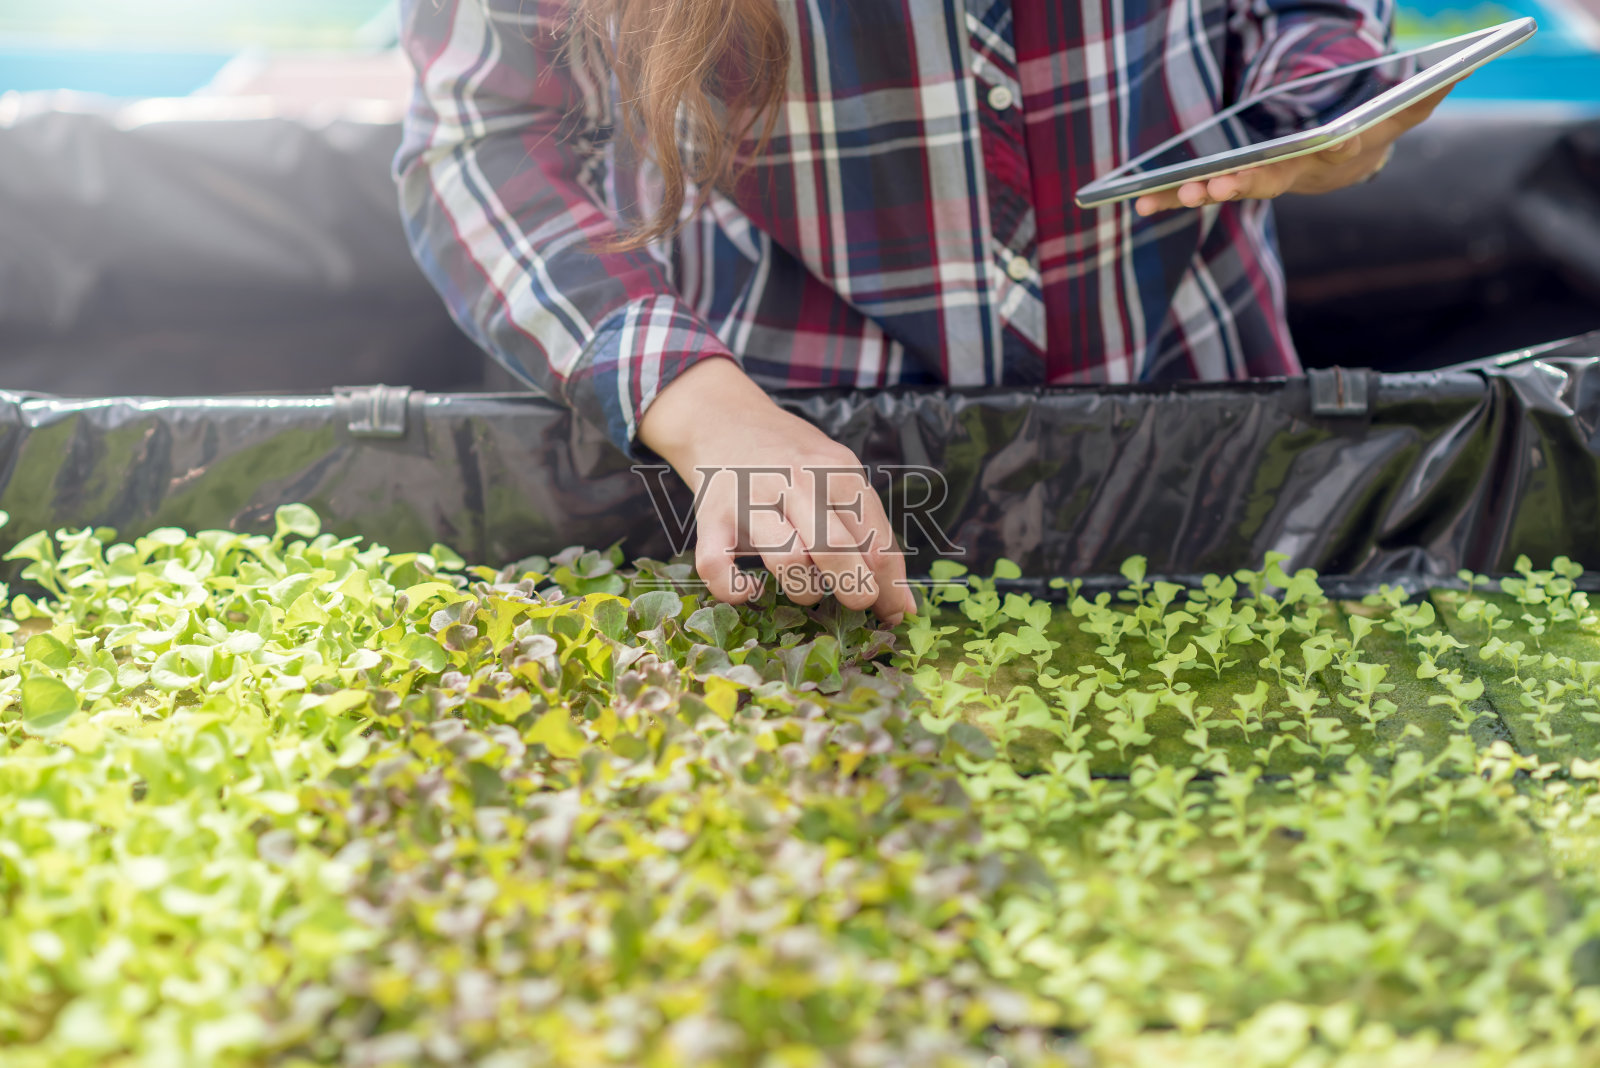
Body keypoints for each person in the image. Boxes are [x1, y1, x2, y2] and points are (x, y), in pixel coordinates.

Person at [395, 0, 1446, 626]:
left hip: (1202, 399)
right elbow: (482, 144)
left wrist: (1326, 90)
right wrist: (709, 414)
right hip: (793, 461)